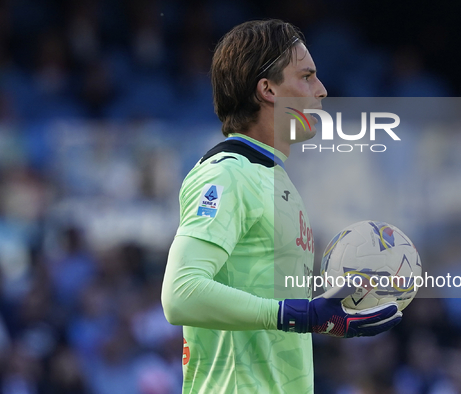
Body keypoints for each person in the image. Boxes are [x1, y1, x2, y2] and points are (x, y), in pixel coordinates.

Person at [161, 19, 402, 393]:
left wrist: (325, 309)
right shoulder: (228, 174)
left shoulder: (275, 178)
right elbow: (180, 294)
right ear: (268, 89)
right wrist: (299, 315)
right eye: (306, 77)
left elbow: (265, 298)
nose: (321, 91)